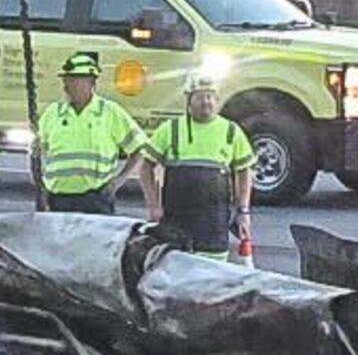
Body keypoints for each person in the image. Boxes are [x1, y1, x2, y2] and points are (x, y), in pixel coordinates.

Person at [143, 75, 258, 259]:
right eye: (200, 97)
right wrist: (154, 206)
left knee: (213, 273)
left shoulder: (231, 131)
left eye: (210, 96)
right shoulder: (170, 129)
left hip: (214, 220)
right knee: (174, 269)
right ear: (189, 100)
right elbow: (146, 166)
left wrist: (243, 211)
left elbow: (244, 172)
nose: (206, 102)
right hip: (176, 219)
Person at [35, 50, 146, 213]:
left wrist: (118, 181)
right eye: (66, 80)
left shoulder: (109, 111)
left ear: (91, 82)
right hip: (58, 199)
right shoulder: (52, 113)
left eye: (74, 80)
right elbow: (38, 154)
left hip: (95, 200)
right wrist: (41, 189)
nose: (67, 86)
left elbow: (139, 149)